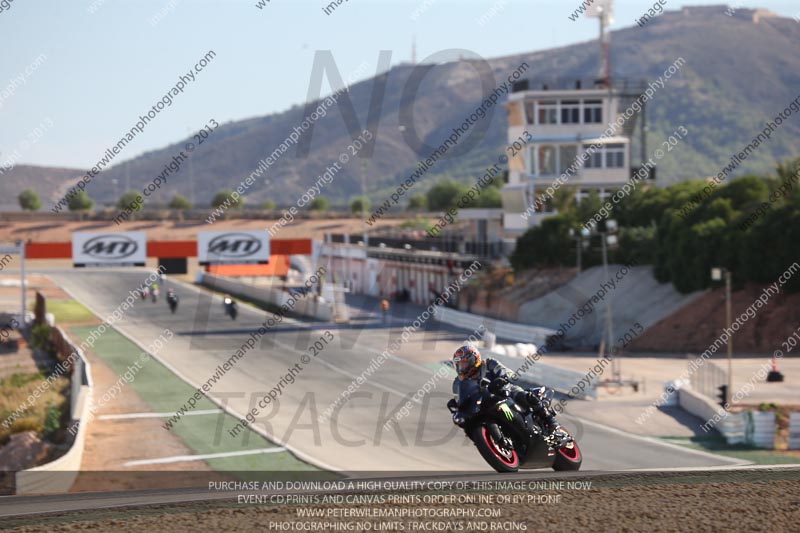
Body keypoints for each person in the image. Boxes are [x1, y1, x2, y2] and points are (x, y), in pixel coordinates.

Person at [450, 344, 567, 443]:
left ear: (473, 359)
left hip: (504, 392)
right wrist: (457, 408)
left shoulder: (488, 364)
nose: (462, 367)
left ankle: (552, 423)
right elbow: (460, 399)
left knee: (524, 396)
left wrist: (503, 378)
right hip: (482, 404)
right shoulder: (458, 383)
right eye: (460, 365)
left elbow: (507, 373)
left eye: (464, 363)